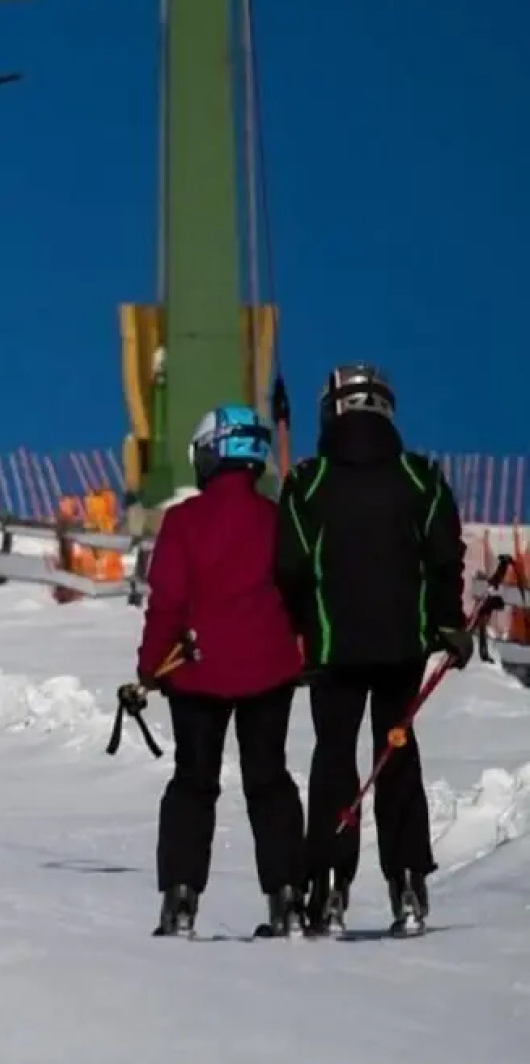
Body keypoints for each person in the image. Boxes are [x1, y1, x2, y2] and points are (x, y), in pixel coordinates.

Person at [275, 363, 469, 936]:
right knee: (397, 756)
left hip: (332, 651)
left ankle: (329, 888)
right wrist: (447, 623)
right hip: (401, 651)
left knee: (334, 759)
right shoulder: (419, 477)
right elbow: (443, 555)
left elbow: (288, 565)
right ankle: (407, 883)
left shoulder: (308, 482)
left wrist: (301, 625)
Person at [127, 404, 306, 938]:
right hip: (270, 668)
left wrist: (151, 668)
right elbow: (302, 592)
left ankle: (180, 902)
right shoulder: (278, 520)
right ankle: (288, 900)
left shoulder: (184, 522)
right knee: (269, 783)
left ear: (208, 454)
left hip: (195, 671)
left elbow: (167, 603)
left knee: (193, 784)